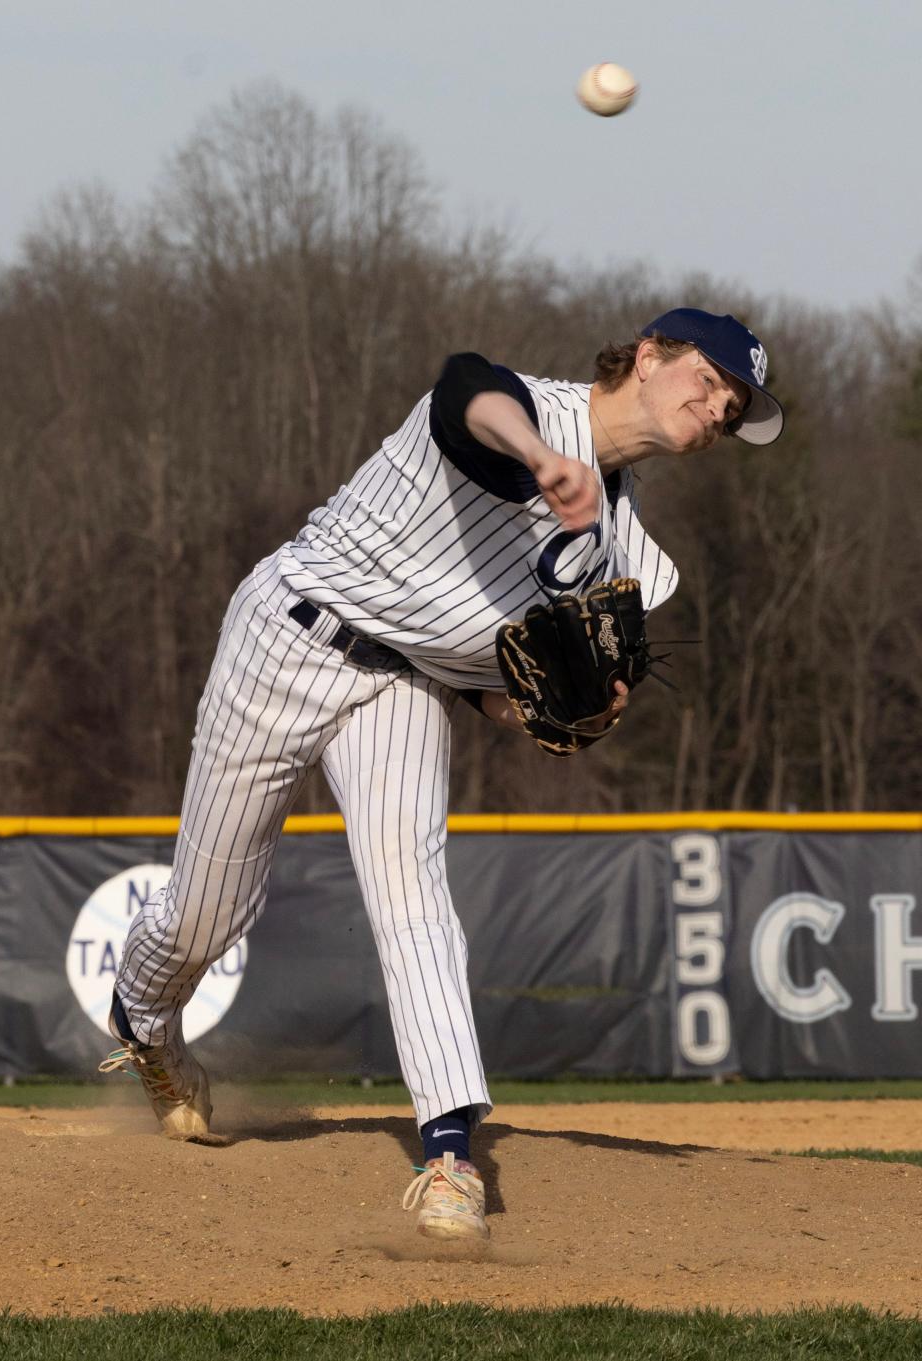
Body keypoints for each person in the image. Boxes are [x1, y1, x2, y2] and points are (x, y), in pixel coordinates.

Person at [99, 307, 784, 1240]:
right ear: (650, 353)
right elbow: (465, 384)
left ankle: (450, 1155)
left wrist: (533, 708)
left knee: (412, 893)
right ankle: (143, 1017)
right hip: (289, 631)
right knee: (209, 912)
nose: (713, 408)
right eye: (705, 380)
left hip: (405, 685)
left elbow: (494, 664)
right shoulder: (525, 413)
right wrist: (544, 463)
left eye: (731, 406)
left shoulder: (618, 552)